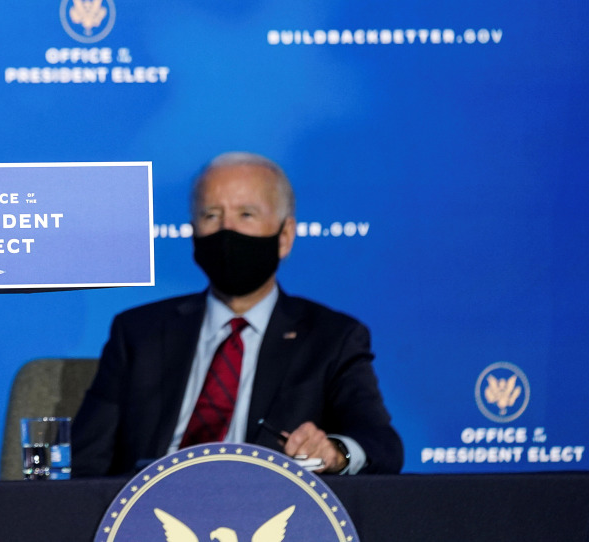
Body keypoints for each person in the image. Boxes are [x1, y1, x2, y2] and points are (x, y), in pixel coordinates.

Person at [71, 152, 403, 476]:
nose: (226, 231)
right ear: (193, 232)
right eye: (211, 215)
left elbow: (381, 444)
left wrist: (336, 452)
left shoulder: (332, 338)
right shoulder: (138, 332)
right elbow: (87, 463)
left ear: (284, 236)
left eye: (246, 214)